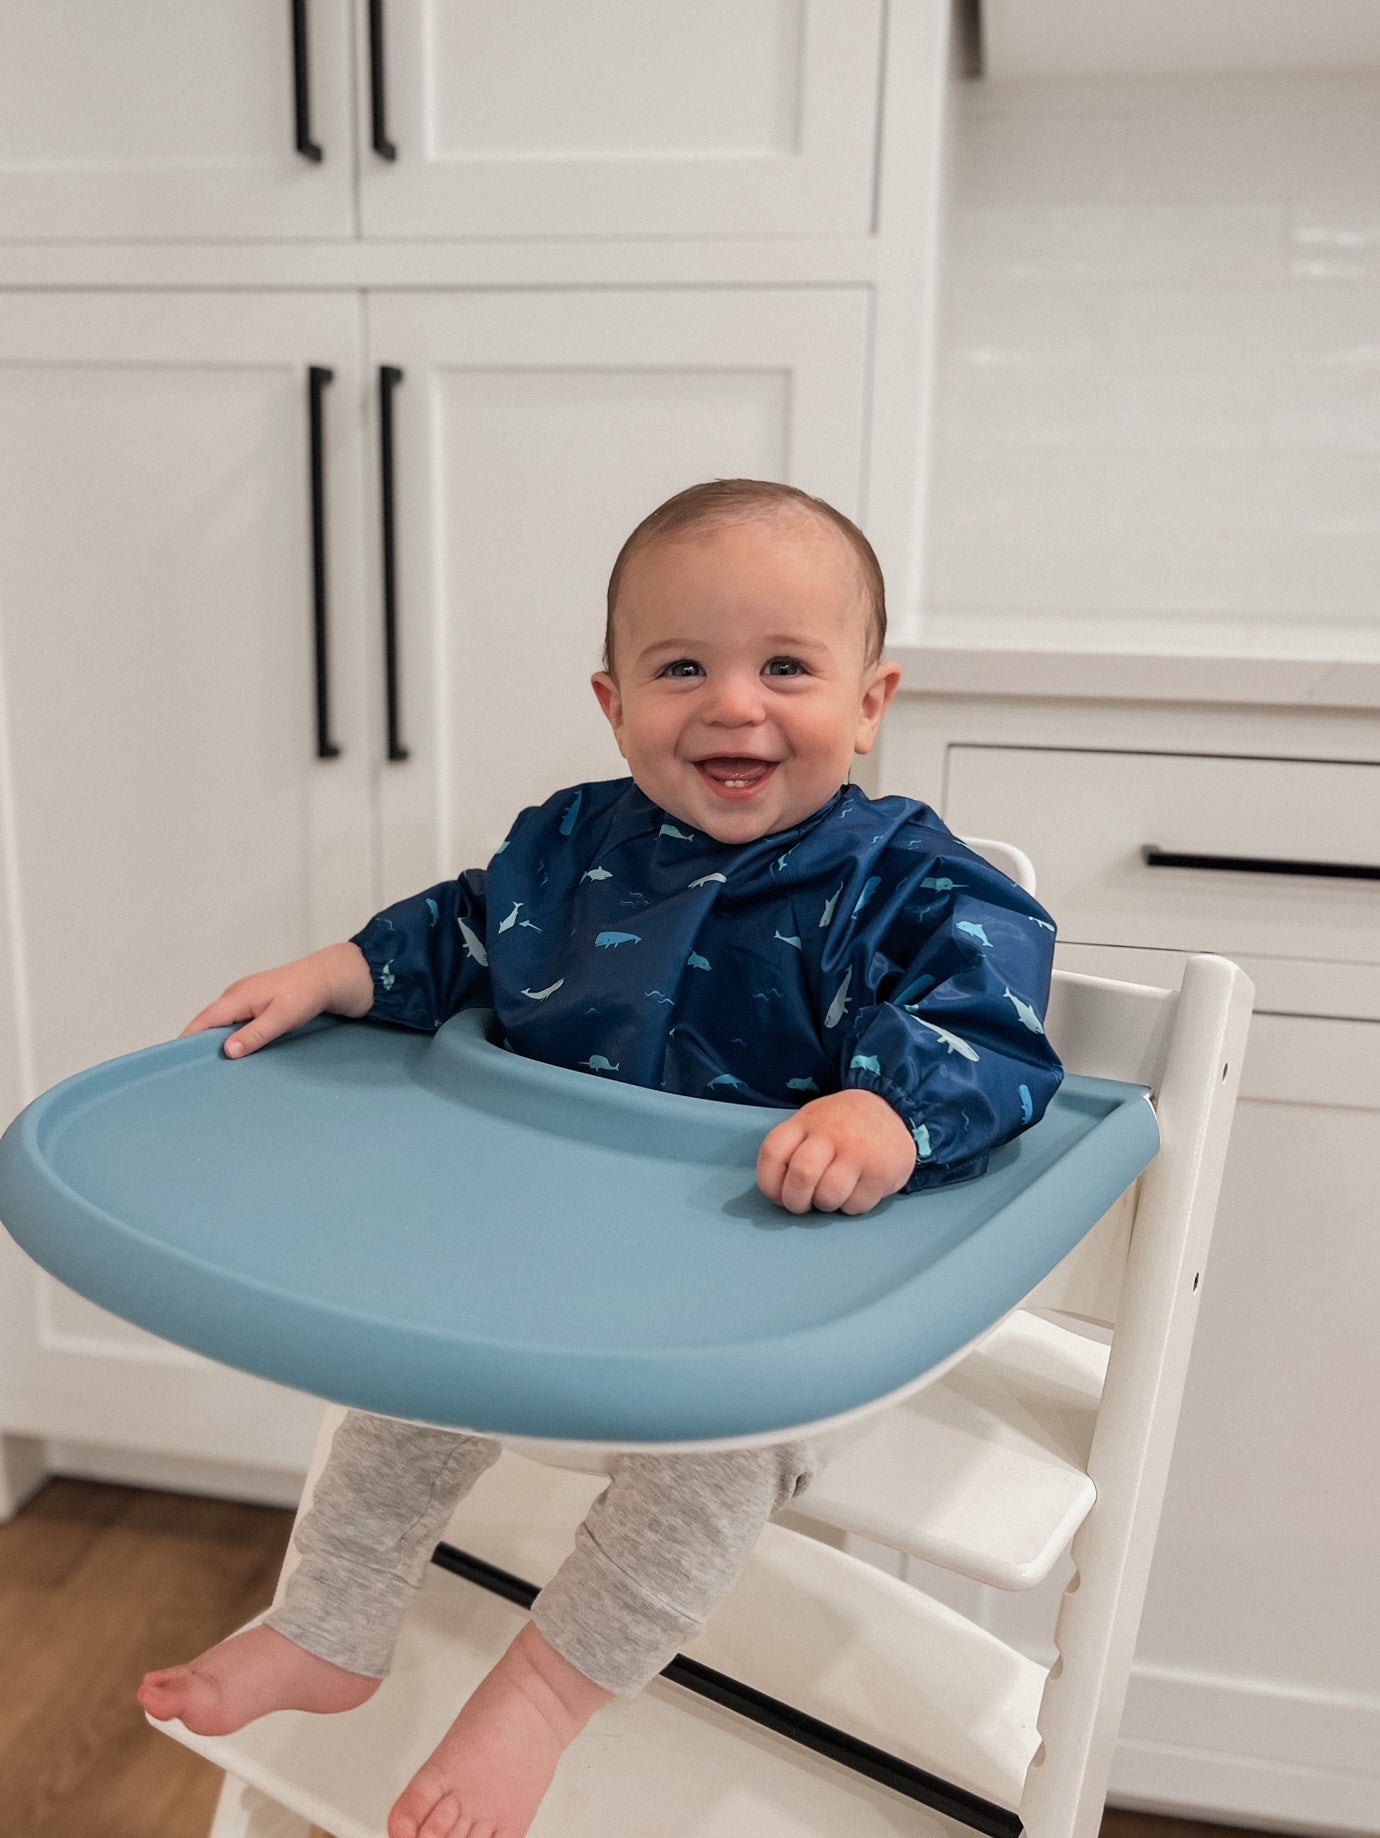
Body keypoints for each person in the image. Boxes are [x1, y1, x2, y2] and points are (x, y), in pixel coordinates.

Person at [138, 479, 1063, 1838]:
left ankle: (542, 1697)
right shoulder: (571, 849)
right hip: (554, 1259)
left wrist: (887, 1114)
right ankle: (329, 1624)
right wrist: (335, 972)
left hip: (772, 1296)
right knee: (408, 1365)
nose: (734, 706)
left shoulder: (914, 884)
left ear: (870, 702)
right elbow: (463, 935)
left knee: (715, 1463)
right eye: (682, 668)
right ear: (613, 701)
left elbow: (987, 1029)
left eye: (786, 667)